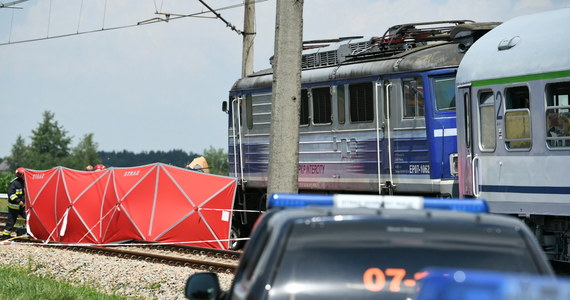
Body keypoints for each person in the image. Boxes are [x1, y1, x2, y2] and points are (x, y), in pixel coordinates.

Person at [2, 167, 27, 240]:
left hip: (22, 207)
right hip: (13, 207)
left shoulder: (24, 183)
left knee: (29, 218)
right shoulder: (14, 183)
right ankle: (5, 236)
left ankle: (28, 232)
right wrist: (18, 201)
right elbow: (11, 195)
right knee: (11, 222)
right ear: (21, 175)